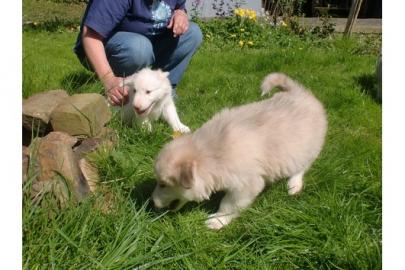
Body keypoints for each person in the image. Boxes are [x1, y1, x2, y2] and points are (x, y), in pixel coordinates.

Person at [74, 0, 203, 106]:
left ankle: (162, 89)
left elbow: (179, 6)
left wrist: (180, 13)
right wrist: (108, 79)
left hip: (147, 44)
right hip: (101, 47)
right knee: (140, 47)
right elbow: (91, 36)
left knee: (192, 33)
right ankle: (121, 90)